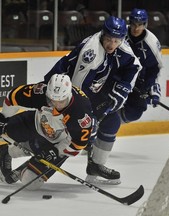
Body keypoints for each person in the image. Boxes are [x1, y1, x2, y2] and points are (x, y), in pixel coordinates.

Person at [44, 16, 142, 184]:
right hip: (60, 93)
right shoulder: (92, 53)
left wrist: (122, 90)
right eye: (109, 39)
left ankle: (95, 166)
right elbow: (75, 90)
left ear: (123, 39)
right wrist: (87, 118)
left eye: (116, 40)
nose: (112, 44)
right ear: (103, 34)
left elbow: (135, 66)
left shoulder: (121, 46)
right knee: (68, 133)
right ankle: (25, 158)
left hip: (85, 91)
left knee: (111, 121)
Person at [0, 74, 94, 190]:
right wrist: (3, 118)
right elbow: (13, 97)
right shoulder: (41, 92)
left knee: (30, 182)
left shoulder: (80, 112)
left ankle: (9, 154)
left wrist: (56, 152)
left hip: (59, 142)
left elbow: (78, 144)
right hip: (37, 123)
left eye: (61, 101)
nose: (56, 105)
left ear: (68, 95)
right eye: (52, 100)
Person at [118, 8, 163, 125]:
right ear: (130, 22)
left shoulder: (152, 43)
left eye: (140, 25)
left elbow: (154, 69)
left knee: (135, 111)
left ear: (146, 24)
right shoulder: (120, 34)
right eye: (133, 24)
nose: (136, 28)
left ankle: (111, 124)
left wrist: (148, 86)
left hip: (137, 82)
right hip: (115, 75)